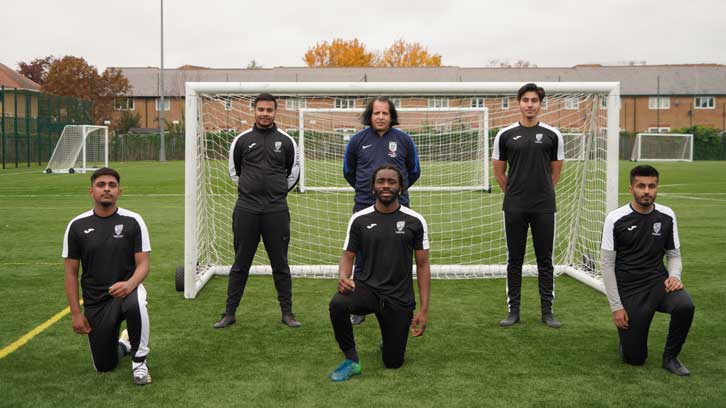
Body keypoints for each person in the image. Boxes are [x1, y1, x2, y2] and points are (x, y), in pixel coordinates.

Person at [328, 165, 430, 382]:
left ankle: (391, 338)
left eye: (391, 181)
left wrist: (423, 309)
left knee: (393, 362)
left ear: (400, 187)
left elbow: (422, 266)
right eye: (381, 181)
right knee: (338, 304)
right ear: (372, 187)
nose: (386, 185)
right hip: (366, 289)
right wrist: (343, 277)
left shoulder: (415, 221)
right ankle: (351, 360)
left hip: (399, 296)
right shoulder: (360, 219)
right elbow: (347, 256)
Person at [214, 93, 301, 329]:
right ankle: (229, 313)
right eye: (261, 109)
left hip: (276, 210)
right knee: (240, 263)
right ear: (254, 111)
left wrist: (276, 193)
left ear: (275, 112)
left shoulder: (286, 141)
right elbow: (235, 172)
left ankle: (287, 313)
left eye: (269, 110)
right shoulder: (241, 140)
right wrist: (250, 191)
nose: (264, 113)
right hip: (246, 209)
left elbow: (293, 174)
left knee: (280, 264)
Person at [601, 165, 695, 376]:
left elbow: (673, 254)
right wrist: (616, 307)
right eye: (641, 186)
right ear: (631, 188)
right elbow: (607, 265)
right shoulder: (615, 219)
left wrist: (674, 276)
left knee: (685, 306)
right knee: (635, 359)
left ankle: (671, 358)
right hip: (630, 288)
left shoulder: (667, 215)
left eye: (651, 186)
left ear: (657, 187)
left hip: (657, 282)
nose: (647, 191)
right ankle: (628, 341)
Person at [63, 167, 152, 385]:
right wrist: (76, 313)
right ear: (91, 191)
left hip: (126, 292)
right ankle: (125, 345)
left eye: (112, 185)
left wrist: (130, 284)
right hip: (96, 302)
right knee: (104, 366)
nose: (107, 189)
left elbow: (144, 265)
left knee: (136, 303)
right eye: (101, 185)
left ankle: (139, 363)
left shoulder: (133, 221)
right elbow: (71, 273)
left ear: (119, 191)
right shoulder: (76, 226)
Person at [343, 96, 421, 325]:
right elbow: (349, 171)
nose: (380, 117)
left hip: (398, 208)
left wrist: (393, 193)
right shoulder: (357, 141)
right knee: (362, 254)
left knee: (398, 255)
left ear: (391, 116)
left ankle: (397, 302)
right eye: (376, 113)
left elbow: (413, 171)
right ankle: (359, 305)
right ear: (370, 116)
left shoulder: (405, 140)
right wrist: (368, 190)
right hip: (365, 205)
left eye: (385, 113)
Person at [492, 83, 565, 328]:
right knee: (515, 259)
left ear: (540, 104)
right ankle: (513, 310)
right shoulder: (505, 135)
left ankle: (547, 311)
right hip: (514, 206)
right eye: (526, 100)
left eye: (534, 100)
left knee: (545, 260)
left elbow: (555, 172)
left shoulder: (553, 134)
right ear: (519, 103)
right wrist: (515, 194)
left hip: (544, 205)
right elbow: (500, 173)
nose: (530, 104)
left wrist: (541, 191)